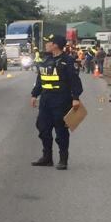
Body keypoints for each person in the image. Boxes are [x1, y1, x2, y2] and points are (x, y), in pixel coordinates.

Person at [30, 33, 83, 170]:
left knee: (61, 131)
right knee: (43, 128)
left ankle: (63, 159)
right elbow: (41, 80)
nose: (46, 45)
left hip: (61, 100)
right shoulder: (46, 59)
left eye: (49, 43)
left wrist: (76, 98)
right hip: (46, 100)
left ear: (55, 45)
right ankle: (47, 157)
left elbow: (75, 81)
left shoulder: (67, 61)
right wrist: (35, 94)